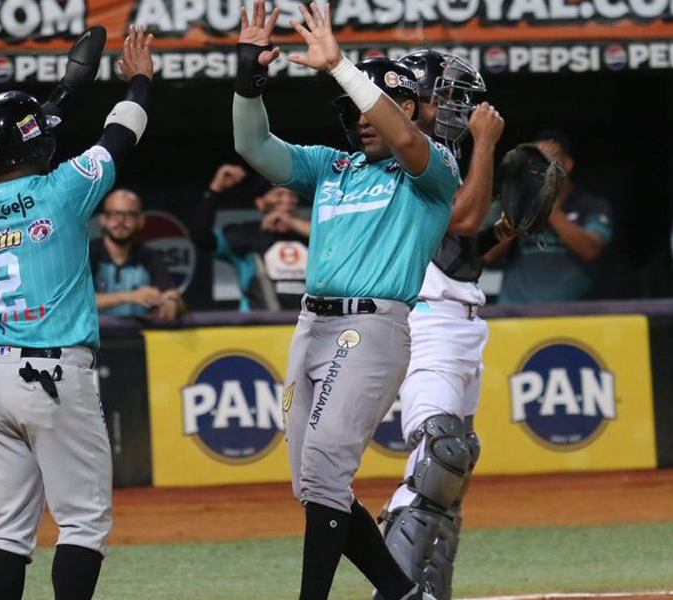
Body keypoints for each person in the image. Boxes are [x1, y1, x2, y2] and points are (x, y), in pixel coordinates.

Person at [233, 3, 459, 600]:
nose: (360, 120)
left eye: (371, 107)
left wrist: (340, 67)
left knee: (326, 471)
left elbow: (406, 138)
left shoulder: (432, 170)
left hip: (373, 328)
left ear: (405, 106)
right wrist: (248, 79)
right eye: (351, 110)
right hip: (311, 324)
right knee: (313, 485)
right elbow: (252, 144)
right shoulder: (332, 166)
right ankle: (403, 593)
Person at [0, 25, 153, 600]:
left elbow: (12, 150)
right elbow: (122, 132)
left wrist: (66, 90)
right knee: (83, 524)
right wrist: (139, 82)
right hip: (53, 375)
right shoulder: (61, 191)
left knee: (8, 533)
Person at [374, 49, 512, 600]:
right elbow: (464, 218)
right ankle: (393, 587)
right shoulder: (407, 149)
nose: (459, 107)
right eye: (445, 96)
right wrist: (486, 145)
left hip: (456, 317)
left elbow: (455, 251)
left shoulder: (439, 156)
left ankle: (429, 591)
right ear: (411, 101)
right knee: (440, 455)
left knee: (451, 476)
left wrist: (506, 231)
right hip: (427, 320)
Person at [484, 129, 613, 303]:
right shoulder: (511, 203)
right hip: (514, 310)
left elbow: (591, 250)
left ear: (568, 164)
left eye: (550, 159)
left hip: (572, 313)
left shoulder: (590, 205)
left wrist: (548, 208)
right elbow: (488, 255)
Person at [193, 165, 310, 311]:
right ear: (260, 202)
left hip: (309, 322)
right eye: (279, 195)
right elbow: (201, 237)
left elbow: (335, 242)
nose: (287, 200)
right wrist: (216, 188)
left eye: (292, 195)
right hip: (259, 321)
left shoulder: (312, 237)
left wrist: (292, 223)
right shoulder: (246, 234)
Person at [91, 188, 185, 319]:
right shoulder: (87, 255)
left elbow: (171, 294)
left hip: (138, 332)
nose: (121, 220)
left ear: (140, 221)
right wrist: (130, 296)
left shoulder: (149, 256)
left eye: (129, 214)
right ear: (103, 219)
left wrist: (171, 302)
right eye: (113, 213)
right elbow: (75, 302)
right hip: (95, 332)